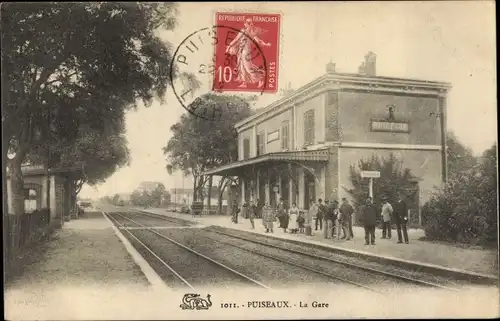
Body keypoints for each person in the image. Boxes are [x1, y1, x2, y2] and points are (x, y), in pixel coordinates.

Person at [225, 18, 271, 88]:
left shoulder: (251, 32)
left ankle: (260, 79)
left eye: (245, 23)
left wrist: (266, 44)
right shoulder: (244, 31)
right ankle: (244, 83)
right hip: (241, 50)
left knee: (248, 67)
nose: (244, 24)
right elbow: (236, 39)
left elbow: (258, 41)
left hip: (246, 51)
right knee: (241, 66)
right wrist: (230, 46)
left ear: (247, 24)